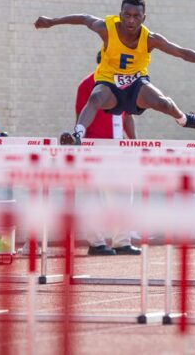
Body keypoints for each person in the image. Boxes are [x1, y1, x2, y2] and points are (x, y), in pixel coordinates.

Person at [34, 0, 195, 145]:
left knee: (163, 103)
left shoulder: (150, 39)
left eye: (136, 16)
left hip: (135, 84)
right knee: (95, 97)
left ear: (144, 18)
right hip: (109, 83)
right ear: (121, 14)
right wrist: (52, 21)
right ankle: (77, 135)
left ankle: (184, 119)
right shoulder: (106, 28)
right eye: (127, 15)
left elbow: (180, 52)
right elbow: (84, 19)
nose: (131, 21)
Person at [76, 52, 141, 256]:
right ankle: (96, 242)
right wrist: (81, 145)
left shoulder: (125, 83)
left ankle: (122, 241)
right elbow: (80, 116)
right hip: (94, 147)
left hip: (118, 147)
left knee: (123, 193)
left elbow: (128, 116)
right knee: (92, 196)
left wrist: (134, 142)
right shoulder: (87, 84)